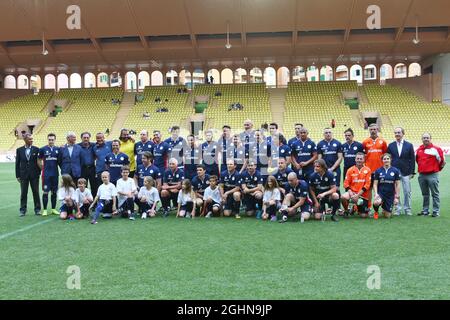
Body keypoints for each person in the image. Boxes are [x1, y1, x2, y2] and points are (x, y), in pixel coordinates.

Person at [387, 127, 415, 216]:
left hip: (406, 172)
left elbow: (412, 159)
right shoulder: (391, 145)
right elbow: (388, 159)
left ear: (403, 133)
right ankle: (398, 209)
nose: (397, 134)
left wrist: (412, 172)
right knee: (395, 191)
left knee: (407, 191)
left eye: (399, 132)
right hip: (394, 172)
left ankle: (407, 209)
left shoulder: (409, 145)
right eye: (395, 133)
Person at [416, 133, 446, 217]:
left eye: (427, 138)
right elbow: (418, 161)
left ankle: (436, 211)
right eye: (424, 138)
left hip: (432, 174)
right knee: (425, 194)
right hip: (422, 175)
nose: (426, 139)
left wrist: (436, 170)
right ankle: (425, 211)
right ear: (422, 139)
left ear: (430, 138)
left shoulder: (436, 149)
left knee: (435, 194)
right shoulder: (419, 149)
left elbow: (442, 161)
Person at [16, 134, 41, 216]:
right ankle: (23, 210)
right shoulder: (19, 150)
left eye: (32, 139)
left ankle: (37, 209)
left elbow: (39, 162)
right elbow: (17, 163)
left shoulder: (37, 149)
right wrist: (17, 175)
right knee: (23, 193)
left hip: (34, 175)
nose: (31, 140)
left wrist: (39, 173)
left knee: (36, 192)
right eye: (30, 139)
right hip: (23, 175)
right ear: (25, 140)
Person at [341, 153, 372, 218]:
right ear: (355, 159)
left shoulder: (368, 170)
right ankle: (346, 211)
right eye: (357, 158)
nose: (359, 160)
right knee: (343, 197)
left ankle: (355, 208)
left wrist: (357, 196)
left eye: (361, 159)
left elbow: (367, 185)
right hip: (352, 193)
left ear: (364, 160)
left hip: (362, 195)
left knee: (363, 216)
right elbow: (346, 184)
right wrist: (352, 194)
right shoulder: (350, 170)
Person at [373, 153, 401, 219]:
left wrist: (397, 196)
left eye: (387, 159)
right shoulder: (378, 171)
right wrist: (376, 194)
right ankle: (376, 212)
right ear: (382, 160)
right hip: (381, 193)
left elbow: (398, 184)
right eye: (384, 159)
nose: (386, 160)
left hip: (390, 195)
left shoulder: (395, 170)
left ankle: (384, 207)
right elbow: (375, 184)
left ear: (390, 159)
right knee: (376, 202)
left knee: (387, 216)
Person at [38, 133, 60, 216]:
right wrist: (42, 168)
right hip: (46, 175)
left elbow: (59, 161)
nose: (51, 141)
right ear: (48, 140)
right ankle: (45, 210)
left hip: (55, 174)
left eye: (52, 139)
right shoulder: (43, 149)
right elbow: (39, 160)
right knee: (45, 192)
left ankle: (53, 209)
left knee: (54, 192)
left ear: (55, 140)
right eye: (49, 139)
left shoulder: (58, 149)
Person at [92, 132, 112, 197]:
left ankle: (111, 205)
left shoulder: (109, 144)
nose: (99, 139)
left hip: (109, 170)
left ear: (104, 138)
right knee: (100, 188)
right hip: (99, 171)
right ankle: (100, 205)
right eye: (98, 138)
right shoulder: (95, 147)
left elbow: (119, 142)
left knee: (109, 188)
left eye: (101, 138)